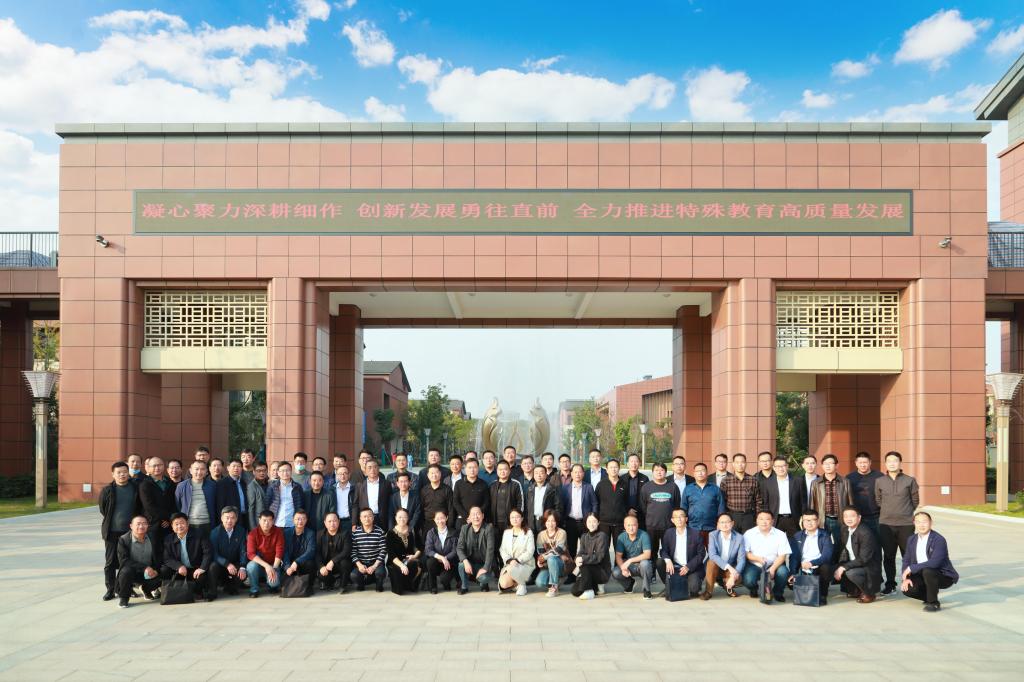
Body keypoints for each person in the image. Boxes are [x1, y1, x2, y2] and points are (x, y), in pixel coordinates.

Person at [876, 451, 920, 595]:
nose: (892, 463)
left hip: (906, 524)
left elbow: (915, 500)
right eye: (889, 461)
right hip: (886, 524)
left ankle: (910, 583)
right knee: (888, 556)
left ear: (900, 463)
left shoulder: (910, 480)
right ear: (885, 463)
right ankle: (890, 584)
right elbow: (878, 500)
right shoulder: (880, 481)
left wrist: (905, 512)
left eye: (895, 460)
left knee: (908, 555)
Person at [900, 511, 959, 612]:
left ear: (931, 523)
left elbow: (935, 562)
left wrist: (911, 568)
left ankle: (933, 603)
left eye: (924, 522)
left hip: (942, 575)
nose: (921, 525)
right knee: (908, 589)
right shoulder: (912, 539)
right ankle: (929, 595)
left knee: (928, 571)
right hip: (921, 573)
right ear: (914, 523)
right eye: (918, 522)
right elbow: (906, 560)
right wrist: (906, 578)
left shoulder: (939, 539)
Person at [100, 462, 140, 601]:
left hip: (130, 532)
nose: (122, 475)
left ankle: (127, 587)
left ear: (128, 473)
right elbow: (103, 509)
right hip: (112, 531)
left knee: (128, 561)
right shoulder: (108, 490)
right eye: (119, 472)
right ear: (113, 474)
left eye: (125, 472)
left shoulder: (135, 488)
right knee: (110, 562)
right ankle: (110, 589)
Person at [834, 505, 882, 603]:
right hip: (854, 563)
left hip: (868, 567)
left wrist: (843, 567)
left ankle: (869, 593)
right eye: (846, 516)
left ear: (859, 518)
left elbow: (863, 559)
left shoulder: (865, 533)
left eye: (852, 516)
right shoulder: (844, 529)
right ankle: (856, 590)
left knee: (851, 573)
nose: (848, 519)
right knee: (834, 567)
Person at [742, 510, 792, 602]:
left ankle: (777, 593)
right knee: (749, 580)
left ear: (772, 521)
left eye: (767, 519)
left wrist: (773, 568)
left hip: (775, 564)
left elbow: (782, 555)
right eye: (761, 519)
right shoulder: (749, 533)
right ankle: (754, 589)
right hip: (755, 564)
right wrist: (758, 559)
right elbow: (746, 553)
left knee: (783, 573)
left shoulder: (780, 534)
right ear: (757, 520)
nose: (764, 522)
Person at [161, 512, 212, 600]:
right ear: (172, 527)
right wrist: (179, 566)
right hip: (180, 571)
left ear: (187, 523)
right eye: (176, 524)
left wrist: (202, 568)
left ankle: (197, 592)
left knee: (202, 576)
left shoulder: (199, 534)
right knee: (164, 570)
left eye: (182, 523)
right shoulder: (168, 539)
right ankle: (170, 591)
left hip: (196, 568)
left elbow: (208, 552)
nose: (179, 526)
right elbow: (167, 558)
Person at [639, 462, 680, 571]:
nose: (659, 472)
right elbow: (643, 506)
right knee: (652, 551)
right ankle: (651, 573)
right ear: (652, 472)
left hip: (669, 526)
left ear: (666, 472)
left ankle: (669, 573)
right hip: (651, 526)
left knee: (670, 551)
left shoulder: (673, 486)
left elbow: (677, 505)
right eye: (656, 470)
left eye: (661, 470)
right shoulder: (646, 487)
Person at [788, 509, 834, 606]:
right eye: (806, 520)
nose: (809, 523)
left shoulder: (825, 535)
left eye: (813, 520)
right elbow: (794, 557)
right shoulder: (797, 536)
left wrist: (812, 563)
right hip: (802, 567)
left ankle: (823, 595)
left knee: (826, 568)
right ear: (802, 522)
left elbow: (827, 556)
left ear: (818, 521)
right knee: (790, 583)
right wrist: (793, 573)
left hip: (818, 566)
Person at [115, 515, 161, 608]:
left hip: (150, 572)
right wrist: (144, 567)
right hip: (133, 572)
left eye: (144, 524)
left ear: (148, 526)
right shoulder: (124, 539)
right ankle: (124, 598)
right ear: (131, 526)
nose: (141, 526)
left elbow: (159, 556)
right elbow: (124, 560)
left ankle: (146, 589)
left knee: (165, 570)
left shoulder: (153, 537)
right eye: (138, 524)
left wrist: (156, 569)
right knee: (125, 571)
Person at [659, 508, 706, 598]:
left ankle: (681, 586)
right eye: (676, 517)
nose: (679, 519)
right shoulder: (669, 533)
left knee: (694, 589)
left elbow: (701, 554)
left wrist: (688, 567)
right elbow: (663, 550)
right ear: (672, 520)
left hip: (691, 568)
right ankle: (670, 585)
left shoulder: (695, 534)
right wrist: (668, 560)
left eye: (681, 516)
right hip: (675, 566)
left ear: (686, 519)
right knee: (660, 562)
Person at [560, 464, 597, 578]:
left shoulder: (588, 487)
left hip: (585, 523)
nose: (577, 474)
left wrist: (593, 517)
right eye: (575, 472)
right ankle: (572, 574)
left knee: (587, 548)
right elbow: (562, 505)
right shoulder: (565, 488)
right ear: (571, 474)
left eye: (580, 472)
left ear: (583, 474)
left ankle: (586, 573)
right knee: (571, 548)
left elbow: (594, 503)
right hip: (570, 522)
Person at [809, 454, 853, 550]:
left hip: (840, 519)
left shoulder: (845, 482)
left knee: (841, 545)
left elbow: (850, 503)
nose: (828, 466)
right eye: (825, 464)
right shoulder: (815, 483)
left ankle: (839, 560)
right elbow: (812, 503)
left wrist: (850, 518)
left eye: (830, 463)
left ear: (836, 465)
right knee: (822, 545)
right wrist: (812, 519)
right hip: (823, 519)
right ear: (822, 466)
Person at [701, 512, 746, 600]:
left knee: (738, 577)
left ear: (732, 523)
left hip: (729, 568)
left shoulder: (739, 537)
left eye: (727, 522)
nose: (725, 525)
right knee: (712, 562)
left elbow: (742, 560)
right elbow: (712, 555)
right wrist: (729, 567)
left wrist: (733, 576)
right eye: (722, 522)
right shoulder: (713, 535)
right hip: (715, 567)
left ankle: (728, 586)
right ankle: (708, 591)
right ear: (718, 524)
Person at [681, 463, 725, 547]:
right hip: (693, 527)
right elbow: (683, 507)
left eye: (702, 470)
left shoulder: (715, 488)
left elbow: (721, 507)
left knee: (713, 552)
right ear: (694, 473)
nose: (700, 473)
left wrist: (720, 523)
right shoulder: (688, 489)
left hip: (712, 527)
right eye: (697, 471)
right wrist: (684, 523)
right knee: (694, 552)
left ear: (707, 472)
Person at [208, 506, 248, 598]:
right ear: (222, 518)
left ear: (236, 519)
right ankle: (212, 591)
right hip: (221, 564)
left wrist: (242, 566)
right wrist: (227, 564)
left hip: (234, 563)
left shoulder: (241, 531)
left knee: (243, 572)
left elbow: (243, 550)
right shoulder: (215, 532)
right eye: (227, 517)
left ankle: (231, 587)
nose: (229, 521)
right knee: (212, 567)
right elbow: (214, 553)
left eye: (232, 518)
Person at [612, 513, 655, 600]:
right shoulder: (621, 537)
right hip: (630, 566)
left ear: (637, 525)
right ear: (624, 526)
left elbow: (647, 554)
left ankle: (646, 590)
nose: (631, 528)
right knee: (616, 572)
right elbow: (618, 556)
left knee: (645, 564)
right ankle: (629, 584)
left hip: (642, 565)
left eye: (633, 525)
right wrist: (623, 568)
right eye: (628, 525)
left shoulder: (644, 535)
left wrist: (630, 560)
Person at [759, 456, 803, 537]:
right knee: (775, 543)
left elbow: (803, 501)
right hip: (776, 519)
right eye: (778, 466)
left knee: (795, 543)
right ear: (774, 468)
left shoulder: (798, 481)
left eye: (783, 466)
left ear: (787, 466)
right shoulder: (767, 483)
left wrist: (803, 517)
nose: (781, 469)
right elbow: (765, 503)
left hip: (793, 519)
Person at [572, 513, 611, 600]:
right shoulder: (584, 536)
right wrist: (577, 559)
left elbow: (599, 557)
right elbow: (580, 552)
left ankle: (589, 591)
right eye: (589, 521)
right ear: (586, 523)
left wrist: (583, 559)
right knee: (575, 591)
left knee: (584, 563)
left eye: (594, 521)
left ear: (598, 523)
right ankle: (594, 587)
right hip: (588, 570)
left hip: (601, 571)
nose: (591, 524)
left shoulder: (602, 536)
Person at [456, 506, 494, 594]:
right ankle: (464, 586)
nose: (476, 517)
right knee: (461, 565)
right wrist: (465, 561)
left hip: (483, 563)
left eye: (478, 514)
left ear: (483, 516)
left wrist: (485, 568)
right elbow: (459, 548)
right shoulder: (465, 528)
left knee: (484, 578)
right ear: (469, 517)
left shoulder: (488, 528)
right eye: (473, 514)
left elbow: (490, 550)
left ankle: (483, 583)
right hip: (470, 564)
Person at [246, 510, 284, 597]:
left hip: (273, 564)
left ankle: (271, 586)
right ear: (259, 520)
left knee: (274, 583)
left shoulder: (278, 532)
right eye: (264, 520)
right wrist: (267, 566)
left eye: (269, 520)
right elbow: (251, 554)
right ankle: (254, 589)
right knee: (251, 566)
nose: (266, 523)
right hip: (259, 565)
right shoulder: (252, 534)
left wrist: (274, 568)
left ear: (273, 521)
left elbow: (279, 552)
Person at [497, 509, 535, 596]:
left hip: (525, 564)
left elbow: (530, 551)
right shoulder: (507, 532)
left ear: (522, 518)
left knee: (512, 569)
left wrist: (517, 560)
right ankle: (517, 584)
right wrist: (510, 560)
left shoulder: (528, 532)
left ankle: (522, 585)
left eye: (517, 517)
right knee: (503, 584)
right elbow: (502, 549)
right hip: (510, 563)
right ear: (510, 519)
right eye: (512, 517)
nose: (515, 519)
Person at [138, 456, 175, 548]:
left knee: (169, 549)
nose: (157, 468)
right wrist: (165, 518)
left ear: (164, 466)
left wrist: (170, 519)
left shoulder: (170, 483)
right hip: (153, 524)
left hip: (169, 524)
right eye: (154, 466)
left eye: (159, 465)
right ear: (149, 468)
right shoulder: (145, 484)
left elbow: (174, 502)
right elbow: (149, 506)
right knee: (155, 550)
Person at [175, 460, 217, 537]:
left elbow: (216, 504)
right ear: (190, 470)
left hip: (207, 524)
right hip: (188, 524)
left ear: (206, 471)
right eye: (196, 469)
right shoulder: (181, 486)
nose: (199, 472)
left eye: (202, 469)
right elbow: (178, 504)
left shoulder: (212, 486)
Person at [385, 507, 422, 595]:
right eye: (400, 517)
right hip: (395, 562)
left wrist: (415, 556)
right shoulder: (390, 533)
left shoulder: (412, 531)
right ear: (395, 518)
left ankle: (410, 584)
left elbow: (419, 547)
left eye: (404, 517)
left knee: (416, 564)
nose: (402, 519)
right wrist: (402, 565)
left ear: (408, 518)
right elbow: (391, 555)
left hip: (410, 560)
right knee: (399, 591)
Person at [720, 453, 760, 534]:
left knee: (748, 539)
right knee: (733, 539)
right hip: (732, 516)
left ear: (746, 463)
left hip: (748, 516)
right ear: (733, 464)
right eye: (737, 462)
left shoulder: (753, 480)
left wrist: (758, 517)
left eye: (742, 462)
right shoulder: (726, 480)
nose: (740, 465)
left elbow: (758, 500)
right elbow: (722, 501)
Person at [350, 507, 387, 592]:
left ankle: (378, 584)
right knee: (353, 575)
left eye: (369, 516)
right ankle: (361, 584)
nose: (367, 519)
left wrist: (374, 566)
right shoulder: (356, 533)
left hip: (376, 562)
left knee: (380, 573)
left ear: (373, 517)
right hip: (362, 562)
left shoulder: (380, 532)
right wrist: (359, 565)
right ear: (360, 519)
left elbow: (383, 550)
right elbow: (353, 551)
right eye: (364, 516)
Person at [847, 451, 883, 537]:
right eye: (860, 462)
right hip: (857, 517)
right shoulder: (849, 478)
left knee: (877, 541)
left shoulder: (879, 476)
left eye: (865, 462)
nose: (863, 465)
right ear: (856, 463)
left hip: (876, 516)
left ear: (870, 462)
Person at [535, 511, 569, 597]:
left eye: (553, 521)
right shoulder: (541, 535)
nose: (550, 523)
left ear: (556, 522)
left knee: (551, 558)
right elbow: (540, 552)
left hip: (561, 563)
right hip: (548, 566)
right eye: (548, 521)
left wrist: (543, 557)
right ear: (545, 522)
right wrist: (541, 560)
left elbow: (558, 550)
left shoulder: (562, 532)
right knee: (540, 583)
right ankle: (558, 580)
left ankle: (554, 587)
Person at [316, 512, 352, 592]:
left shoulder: (345, 533)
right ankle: (334, 581)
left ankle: (343, 585)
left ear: (339, 521)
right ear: (325, 523)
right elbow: (317, 553)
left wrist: (333, 561)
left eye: (335, 521)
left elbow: (347, 551)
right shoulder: (320, 534)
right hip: (326, 565)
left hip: (340, 564)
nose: (332, 524)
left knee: (345, 562)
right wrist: (321, 566)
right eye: (329, 521)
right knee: (321, 575)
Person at [424, 509, 458, 594]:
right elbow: (428, 550)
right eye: (438, 519)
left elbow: (455, 550)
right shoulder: (431, 532)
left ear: (446, 518)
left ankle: (446, 583)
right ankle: (433, 587)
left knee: (444, 579)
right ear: (434, 520)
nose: (440, 521)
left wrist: (446, 558)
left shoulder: (453, 532)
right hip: (436, 561)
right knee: (430, 562)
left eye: (442, 518)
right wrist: (441, 558)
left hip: (449, 562)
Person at [595, 458, 629, 543]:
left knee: (620, 548)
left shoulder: (624, 484)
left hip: (620, 523)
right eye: (611, 467)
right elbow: (596, 502)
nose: (613, 469)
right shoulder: (601, 484)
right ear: (607, 470)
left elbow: (627, 502)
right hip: (604, 523)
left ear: (619, 469)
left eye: (615, 467)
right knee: (603, 547)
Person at [420, 463, 455, 541]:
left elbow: (451, 509)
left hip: (443, 523)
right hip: (428, 523)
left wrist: (449, 525)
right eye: (432, 473)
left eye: (436, 472)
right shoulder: (424, 490)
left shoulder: (447, 489)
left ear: (440, 474)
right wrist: (422, 525)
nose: (434, 475)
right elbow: (421, 509)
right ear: (428, 475)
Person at [282, 509, 317, 587]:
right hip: (290, 563)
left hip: (302, 562)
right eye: (298, 519)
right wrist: (287, 566)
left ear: (306, 520)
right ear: (293, 520)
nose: (300, 521)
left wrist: (297, 562)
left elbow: (311, 551)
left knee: (311, 564)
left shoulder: (310, 533)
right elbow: (285, 552)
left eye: (303, 519)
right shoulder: (286, 533)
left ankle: (309, 586)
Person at [524, 463, 561, 535]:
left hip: (546, 521)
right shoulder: (530, 489)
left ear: (545, 475)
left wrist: (554, 521)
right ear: (533, 475)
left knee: (544, 540)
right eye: (536, 473)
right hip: (532, 521)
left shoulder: (552, 489)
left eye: (541, 473)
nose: (539, 475)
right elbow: (526, 507)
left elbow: (558, 506)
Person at [453, 458, 490, 528]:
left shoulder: (483, 484)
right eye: (469, 467)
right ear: (465, 469)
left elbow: (486, 502)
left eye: (474, 467)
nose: (472, 470)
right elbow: (456, 502)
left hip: (479, 520)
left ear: (478, 469)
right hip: (463, 519)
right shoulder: (459, 484)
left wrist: (477, 515)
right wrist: (467, 516)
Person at [355, 459, 392, 529]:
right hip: (365, 519)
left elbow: (390, 503)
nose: (372, 470)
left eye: (375, 467)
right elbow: (355, 504)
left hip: (382, 519)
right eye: (369, 467)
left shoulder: (386, 484)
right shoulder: (359, 485)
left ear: (378, 469)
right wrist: (354, 522)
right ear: (365, 470)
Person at [215, 459, 249, 533]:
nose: (236, 468)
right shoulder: (222, 483)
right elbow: (220, 504)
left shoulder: (243, 482)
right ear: (228, 468)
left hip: (244, 516)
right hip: (230, 518)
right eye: (234, 466)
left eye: (239, 466)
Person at [266, 461, 304, 529]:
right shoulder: (272, 487)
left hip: (292, 523)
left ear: (291, 471)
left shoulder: (297, 487)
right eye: (282, 471)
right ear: (278, 472)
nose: (285, 473)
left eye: (287, 470)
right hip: (276, 523)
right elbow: (267, 503)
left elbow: (301, 504)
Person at [623, 453, 650, 528]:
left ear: (639, 463)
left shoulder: (645, 479)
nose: (634, 464)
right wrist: (628, 510)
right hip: (625, 514)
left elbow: (646, 497)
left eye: (636, 461)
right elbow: (620, 497)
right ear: (627, 464)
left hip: (641, 513)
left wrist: (636, 510)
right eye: (631, 461)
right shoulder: (622, 479)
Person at [246, 462, 271, 530]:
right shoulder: (252, 486)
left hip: (270, 521)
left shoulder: (270, 484)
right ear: (254, 472)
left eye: (264, 470)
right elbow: (251, 508)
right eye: (259, 471)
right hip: (258, 522)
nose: (262, 473)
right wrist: (253, 527)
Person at [333, 462, 356, 532]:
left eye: (345, 473)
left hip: (350, 521)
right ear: (337, 476)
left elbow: (356, 506)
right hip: (335, 522)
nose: (343, 476)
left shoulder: (354, 489)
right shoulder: (332, 490)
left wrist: (354, 522)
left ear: (349, 475)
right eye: (340, 474)